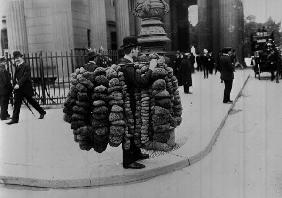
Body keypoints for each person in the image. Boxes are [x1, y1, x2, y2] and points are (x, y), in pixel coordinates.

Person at [119, 36, 156, 169]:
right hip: (129, 102)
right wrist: (151, 68)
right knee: (129, 129)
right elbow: (141, 82)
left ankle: (135, 153)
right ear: (132, 49)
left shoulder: (127, 63)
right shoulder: (127, 65)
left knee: (134, 127)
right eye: (136, 48)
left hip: (132, 100)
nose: (138, 51)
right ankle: (128, 161)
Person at [7, 51, 46, 125]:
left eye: (18, 58)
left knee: (32, 102)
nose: (16, 60)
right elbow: (16, 77)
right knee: (16, 103)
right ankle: (15, 119)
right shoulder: (18, 66)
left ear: (21, 57)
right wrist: (15, 84)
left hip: (26, 88)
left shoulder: (26, 66)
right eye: (15, 58)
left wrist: (18, 84)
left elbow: (25, 76)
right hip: (19, 89)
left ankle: (42, 112)